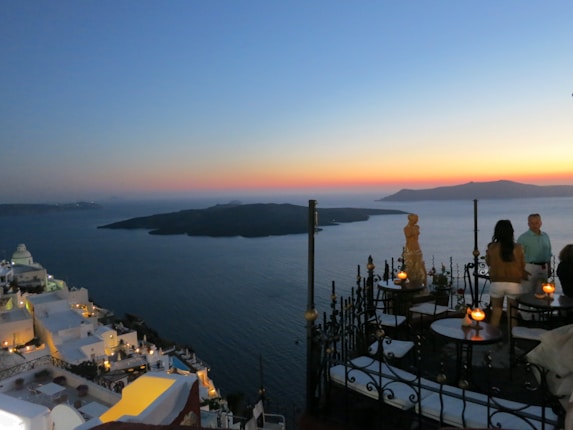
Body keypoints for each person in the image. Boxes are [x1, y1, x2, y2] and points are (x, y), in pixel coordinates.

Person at [485, 219, 525, 327]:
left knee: (496, 313)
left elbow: (488, 263)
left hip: (497, 283)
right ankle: (513, 340)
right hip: (514, 284)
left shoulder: (491, 247)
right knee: (512, 314)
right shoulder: (518, 248)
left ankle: (493, 341)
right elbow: (522, 265)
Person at [517, 213, 552, 295]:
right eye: (532, 223)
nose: (534, 225)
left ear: (541, 223)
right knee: (526, 293)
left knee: (542, 293)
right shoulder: (523, 238)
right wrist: (521, 271)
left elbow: (548, 253)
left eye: (536, 223)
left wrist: (549, 268)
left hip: (544, 268)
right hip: (529, 267)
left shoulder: (545, 236)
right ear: (528, 224)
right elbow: (518, 256)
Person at [403, 213, 427, 289]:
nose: (417, 221)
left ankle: (420, 282)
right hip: (410, 247)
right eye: (416, 220)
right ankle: (412, 282)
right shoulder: (406, 228)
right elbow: (409, 235)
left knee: (419, 265)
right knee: (410, 265)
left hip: (417, 246)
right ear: (411, 220)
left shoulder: (417, 227)